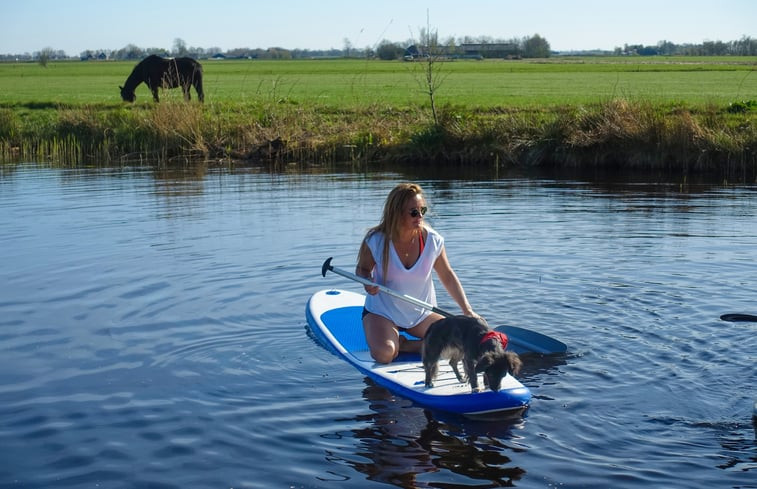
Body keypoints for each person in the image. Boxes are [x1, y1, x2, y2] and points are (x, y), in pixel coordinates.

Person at [355, 183, 478, 363]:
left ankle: (406, 345)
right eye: (413, 212)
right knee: (385, 354)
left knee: (459, 345)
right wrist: (367, 281)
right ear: (396, 213)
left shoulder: (433, 241)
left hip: (421, 313)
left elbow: (448, 276)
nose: (420, 216)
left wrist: (467, 311)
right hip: (382, 312)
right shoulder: (376, 240)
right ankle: (399, 343)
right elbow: (362, 269)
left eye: (423, 210)